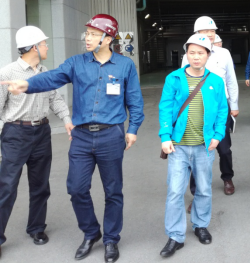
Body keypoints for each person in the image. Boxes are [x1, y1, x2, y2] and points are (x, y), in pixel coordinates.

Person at [2, 14, 145, 263]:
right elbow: (52, 77)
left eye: (93, 34)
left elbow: (134, 99)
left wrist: (132, 128)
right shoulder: (76, 63)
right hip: (81, 137)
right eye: (86, 33)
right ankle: (91, 232)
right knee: (77, 189)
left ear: (107, 38)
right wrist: (26, 85)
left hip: (111, 135)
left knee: (113, 191)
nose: (87, 38)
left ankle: (111, 239)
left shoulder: (125, 66)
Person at [0, 27, 72, 258]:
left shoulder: (44, 72)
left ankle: (37, 228)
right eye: (43, 44)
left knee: (40, 184)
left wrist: (67, 119)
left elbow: (54, 98)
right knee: (7, 186)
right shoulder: (7, 73)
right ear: (33, 48)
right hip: (15, 133)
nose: (47, 47)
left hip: (41, 132)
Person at [158, 34, 228, 257]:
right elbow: (165, 107)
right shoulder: (174, 78)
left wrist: (218, 135)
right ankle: (175, 236)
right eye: (192, 52)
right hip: (178, 146)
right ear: (186, 54)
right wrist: (165, 136)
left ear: (208, 55)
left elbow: (222, 110)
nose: (196, 57)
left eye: (201, 53)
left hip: (204, 146)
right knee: (175, 191)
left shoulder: (215, 81)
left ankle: (200, 225)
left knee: (204, 189)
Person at [182, 16, 238, 197]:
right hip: (197, 109)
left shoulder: (224, 53)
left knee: (224, 148)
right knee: (197, 148)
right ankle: (196, 190)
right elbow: (183, 84)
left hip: (221, 107)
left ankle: (227, 178)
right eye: (205, 31)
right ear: (196, 33)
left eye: (212, 31)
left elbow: (231, 80)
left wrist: (234, 104)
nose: (210, 34)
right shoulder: (188, 56)